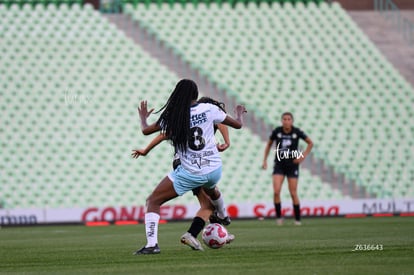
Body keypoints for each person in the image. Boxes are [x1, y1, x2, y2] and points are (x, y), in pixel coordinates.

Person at [133, 79, 246, 255]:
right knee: (211, 193)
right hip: (214, 169)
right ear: (196, 94)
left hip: (191, 171)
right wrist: (239, 114)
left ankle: (152, 245)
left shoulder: (173, 116)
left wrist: (143, 118)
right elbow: (238, 125)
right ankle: (222, 215)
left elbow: (146, 130)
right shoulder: (209, 109)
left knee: (153, 201)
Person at [262, 112, 313, 226]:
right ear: (281, 121)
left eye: (289, 119)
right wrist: (265, 160)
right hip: (279, 164)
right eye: (284, 119)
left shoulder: (296, 132)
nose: (286, 121)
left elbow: (310, 143)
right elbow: (269, 145)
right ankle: (279, 217)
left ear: (292, 121)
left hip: (292, 165)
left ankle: (297, 219)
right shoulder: (277, 131)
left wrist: (302, 156)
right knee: (276, 191)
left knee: (293, 192)